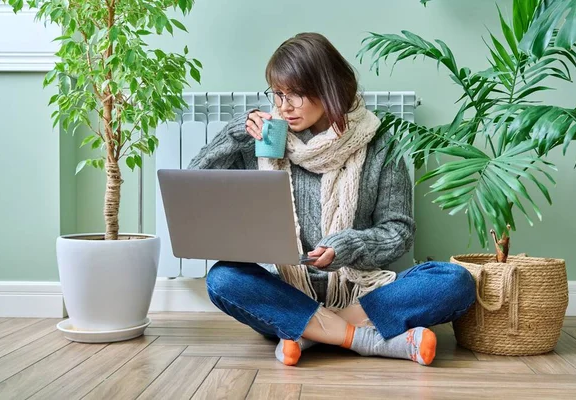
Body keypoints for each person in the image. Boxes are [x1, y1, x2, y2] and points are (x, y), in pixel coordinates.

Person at [188, 32, 476, 367]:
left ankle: (310, 331)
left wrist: (348, 246)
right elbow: (195, 185)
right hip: (285, 291)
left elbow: (399, 231)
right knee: (223, 280)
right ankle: (362, 338)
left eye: (295, 94)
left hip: (361, 291)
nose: (283, 106)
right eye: (278, 94)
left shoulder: (381, 143)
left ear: (328, 88)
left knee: (454, 281)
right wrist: (235, 132)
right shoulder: (266, 137)